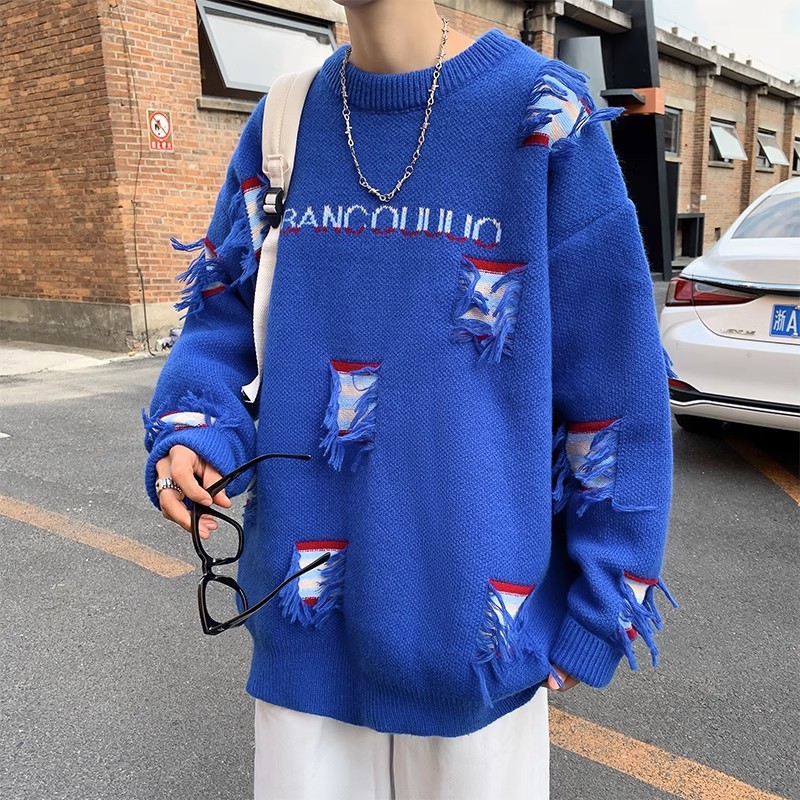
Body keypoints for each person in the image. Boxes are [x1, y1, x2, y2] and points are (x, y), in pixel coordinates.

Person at [142, 0, 675, 797]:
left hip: (478, 637)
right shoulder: (283, 123)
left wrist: (605, 604)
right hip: (303, 628)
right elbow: (221, 317)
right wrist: (195, 429)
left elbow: (615, 380)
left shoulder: (543, 116)